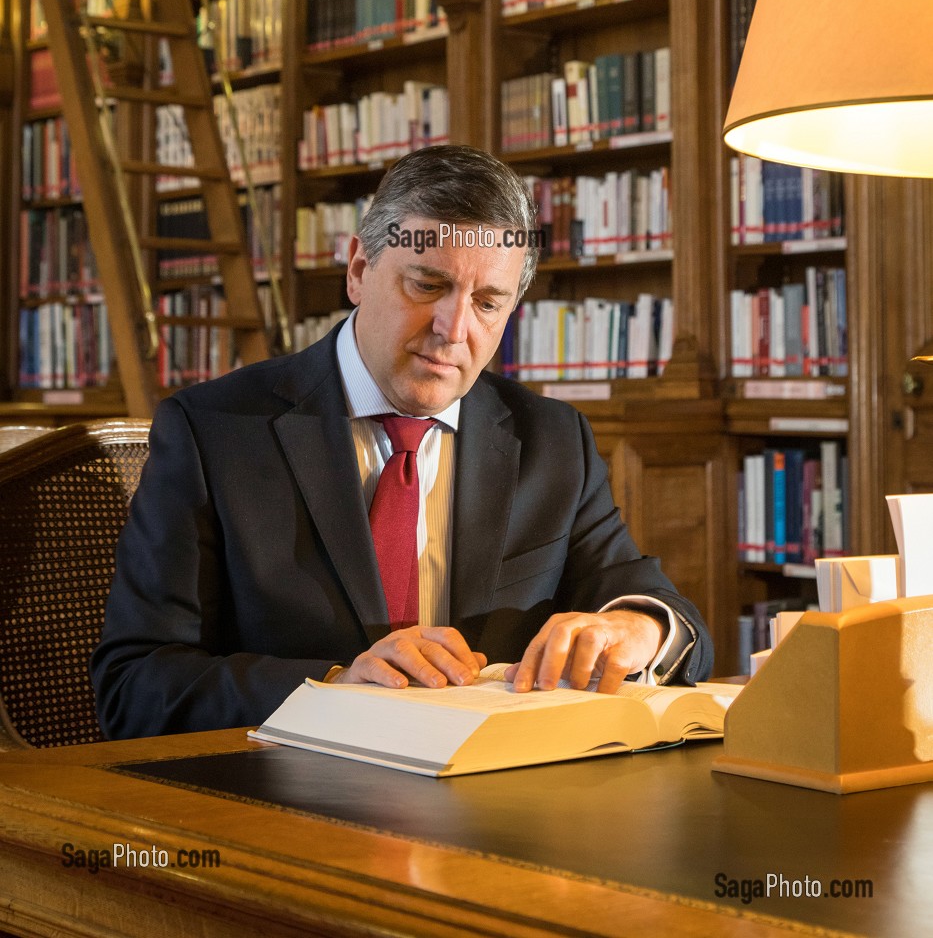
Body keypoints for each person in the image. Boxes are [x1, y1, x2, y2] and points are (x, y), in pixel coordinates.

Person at [92, 145, 713, 738]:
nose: (454, 329)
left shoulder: (551, 441)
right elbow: (134, 687)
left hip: (496, 806)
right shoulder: (214, 433)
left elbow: (665, 610)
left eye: (488, 303)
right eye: (427, 285)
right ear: (360, 270)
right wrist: (335, 687)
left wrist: (639, 628)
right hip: (290, 798)